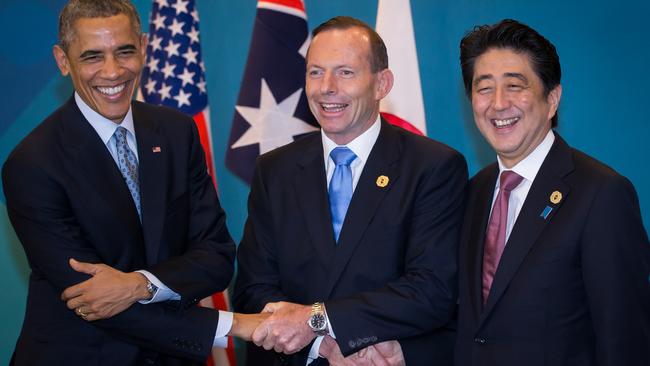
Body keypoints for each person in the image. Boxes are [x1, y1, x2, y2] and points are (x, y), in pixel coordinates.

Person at [2, 1, 263, 365]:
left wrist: (139, 284)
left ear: (143, 47)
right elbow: (93, 301)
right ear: (63, 61)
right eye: (92, 57)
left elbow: (217, 257)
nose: (113, 72)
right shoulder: (33, 163)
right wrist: (231, 326)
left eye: (124, 52)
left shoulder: (176, 132)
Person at [234, 16, 468, 366]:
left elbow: (430, 290)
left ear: (381, 84)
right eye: (315, 72)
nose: (327, 87)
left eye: (345, 72)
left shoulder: (433, 167)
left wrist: (319, 321)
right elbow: (253, 290)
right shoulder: (274, 170)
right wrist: (322, 345)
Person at [456, 19, 650, 366]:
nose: (498, 104)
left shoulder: (601, 194)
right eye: (483, 88)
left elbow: (624, 339)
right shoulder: (475, 190)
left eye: (515, 85)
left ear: (552, 98)